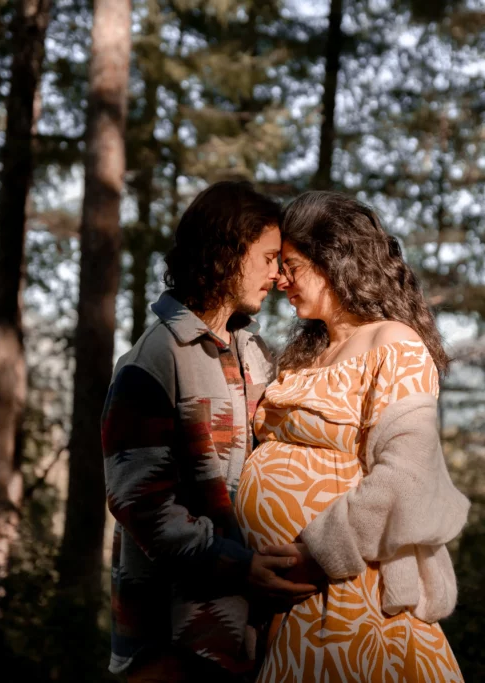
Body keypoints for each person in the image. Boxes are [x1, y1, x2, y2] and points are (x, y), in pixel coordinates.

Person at [234, 191, 470, 682]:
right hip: (290, 609)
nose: (280, 280)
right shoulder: (304, 354)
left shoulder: (394, 342)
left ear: (333, 260)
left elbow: (405, 479)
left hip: (353, 597)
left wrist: (317, 555)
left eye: (291, 266)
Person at [101, 180, 318, 683]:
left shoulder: (255, 354)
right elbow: (141, 504)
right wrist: (239, 566)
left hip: (244, 637)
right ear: (227, 252)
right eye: (267, 258)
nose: (277, 274)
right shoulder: (152, 360)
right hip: (168, 642)